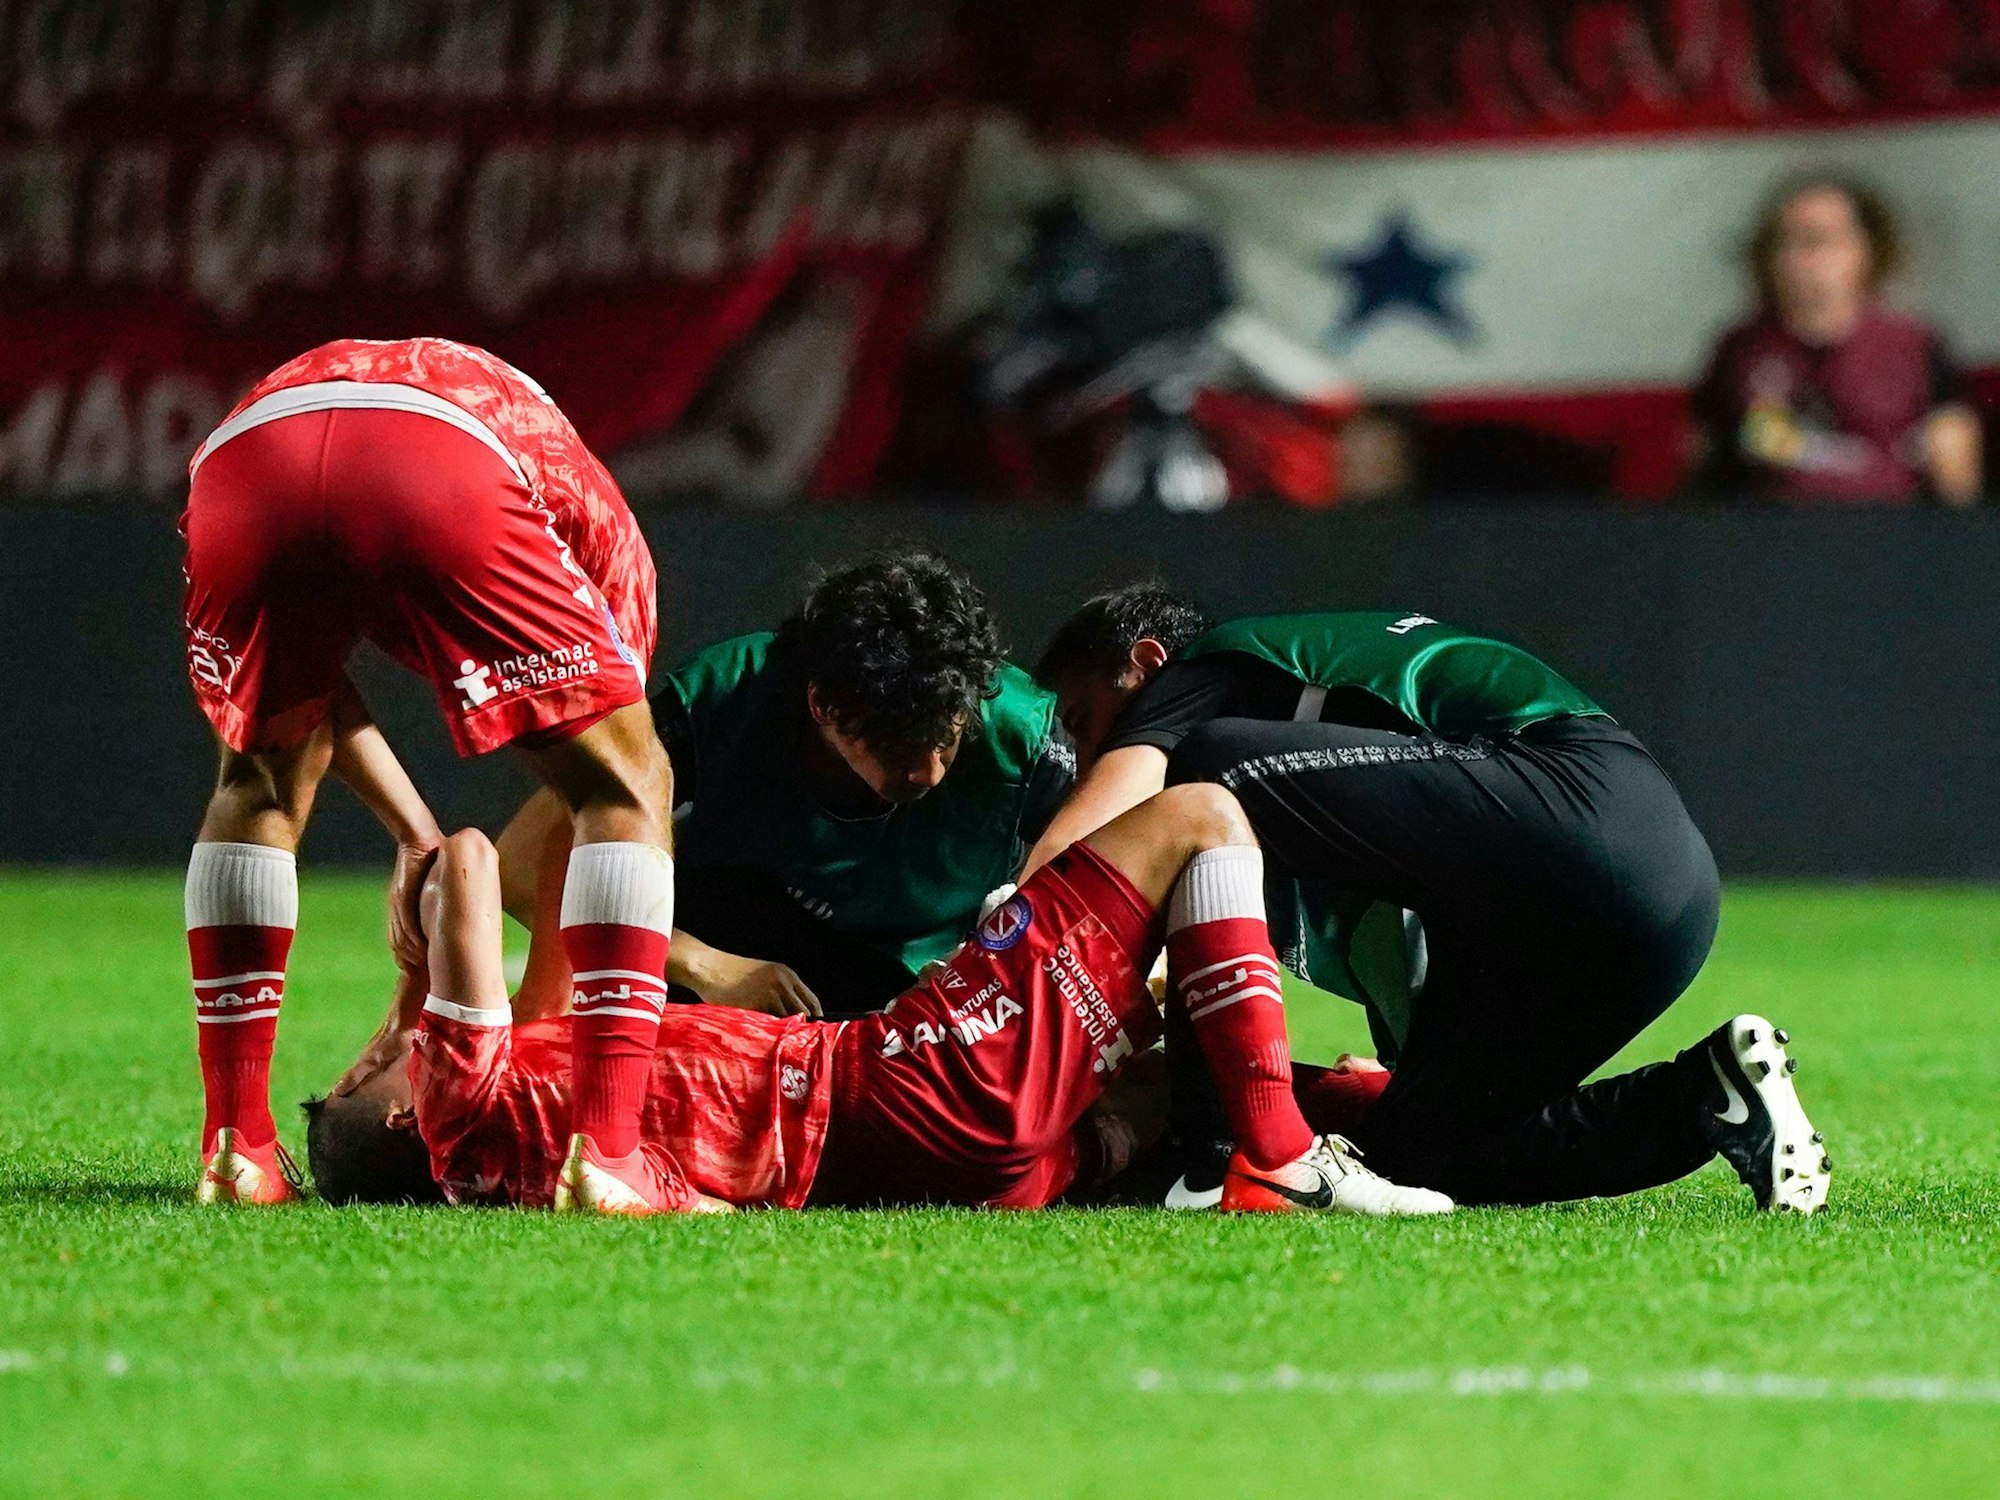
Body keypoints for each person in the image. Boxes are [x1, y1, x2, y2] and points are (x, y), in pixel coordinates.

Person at [1026, 585, 1830, 1214]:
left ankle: (1207, 1160)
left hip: (1584, 794)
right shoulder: (1337, 814)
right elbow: (1406, 960)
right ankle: (1706, 1095)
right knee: (1423, 1149)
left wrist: (983, 963)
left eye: (1083, 720)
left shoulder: (1202, 671)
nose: (1085, 752)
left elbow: (1083, 843)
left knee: (1208, 774)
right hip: (1661, 902)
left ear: (1144, 662)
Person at [304, 787, 1454, 1218]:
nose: (381, 1061)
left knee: (1153, 1074)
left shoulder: (538, 1128)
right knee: (1196, 818)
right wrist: (414, 991)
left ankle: (1421, 1121)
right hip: (891, 1085)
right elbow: (463, 859)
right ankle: (1285, 1160)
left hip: (942, 1166)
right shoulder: (466, 1102)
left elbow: (558, 861)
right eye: (374, 1080)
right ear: (407, 1117)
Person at [180, 336, 684, 1215]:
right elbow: (594, 802)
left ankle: (238, 1146)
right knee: (630, 778)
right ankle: (608, 1152)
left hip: (245, 451)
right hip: (435, 449)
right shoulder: (619, 566)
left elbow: (303, 692)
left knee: (255, 783)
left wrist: (413, 830)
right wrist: (543, 1011)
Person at [492, 550, 1076, 1020]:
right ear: (821, 703)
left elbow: (1113, 880)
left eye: (949, 737)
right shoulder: (726, 698)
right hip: (729, 951)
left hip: (920, 984)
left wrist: (989, 965)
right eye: (897, 745)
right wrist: (705, 964)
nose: (929, 772)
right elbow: (520, 865)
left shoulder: (1022, 730)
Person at [1690, 174, 1981, 506]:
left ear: (1868, 251)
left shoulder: (1916, 346)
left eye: (1827, 240)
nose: (1813, 261)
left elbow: (1958, 485)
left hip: (1888, 537)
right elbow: (1702, 471)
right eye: (1793, 242)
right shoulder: (1740, 350)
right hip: (1769, 539)